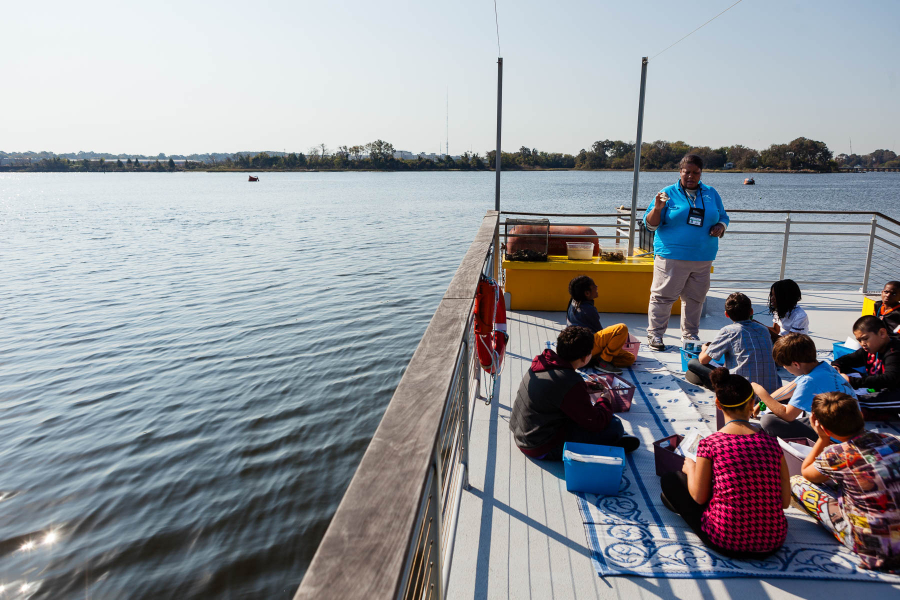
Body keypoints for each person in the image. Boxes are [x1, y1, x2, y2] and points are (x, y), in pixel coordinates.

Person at [660, 368, 790, 558]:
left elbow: (698, 497)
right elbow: (785, 502)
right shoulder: (772, 442)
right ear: (752, 403)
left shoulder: (711, 444)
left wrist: (692, 468)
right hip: (773, 541)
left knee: (671, 480)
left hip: (726, 540)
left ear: (718, 404)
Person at [790, 391, 900, 571]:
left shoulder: (836, 455)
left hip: (876, 548)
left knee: (797, 483)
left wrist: (822, 439)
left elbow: (807, 473)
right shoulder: (892, 441)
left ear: (824, 427)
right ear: (861, 415)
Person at [508, 326, 640, 460]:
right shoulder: (569, 381)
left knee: (587, 418)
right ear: (585, 358)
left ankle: (611, 440)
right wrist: (605, 399)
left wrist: (583, 387)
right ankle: (610, 442)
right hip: (540, 446)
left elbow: (557, 392)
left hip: (522, 434)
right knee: (614, 425)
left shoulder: (543, 361)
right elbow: (595, 422)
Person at [643, 154, 729, 351]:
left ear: (701, 173)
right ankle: (655, 335)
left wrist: (721, 226)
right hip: (672, 256)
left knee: (695, 299)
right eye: (687, 172)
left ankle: (690, 335)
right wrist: (657, 208)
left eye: (695, 172)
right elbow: (650, 225)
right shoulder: (666, 193)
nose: (691, 176)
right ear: (680, 172)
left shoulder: (711, 193)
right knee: (663, 297)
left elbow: (723, 215)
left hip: (703, 257)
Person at [753, 333, 856, 440]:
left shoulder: (809, 381)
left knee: (769, 421)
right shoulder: (823, 367)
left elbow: (788, 415)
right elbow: (788, 389)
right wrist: (762, 403)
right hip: (848, 424)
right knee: (782, 401)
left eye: (785, 366)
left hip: (836, 434)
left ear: (796, 364)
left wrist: (760, 392)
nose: (785, 368)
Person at [686, 292, 781, 392]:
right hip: (772, 390)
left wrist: (704, 349)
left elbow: (703, 360)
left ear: (726, 314)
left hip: (741, 392)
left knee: (692, 364)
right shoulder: (764, 330)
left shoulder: (728, 331)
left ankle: (711, 384)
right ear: (751, 311)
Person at [566, 275, 636, 375]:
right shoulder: (588, 310)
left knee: (629, 358)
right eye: (594, 285)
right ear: (587, 293)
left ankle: (589, 361)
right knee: (621, 328)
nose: (597, 287)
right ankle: (604, 362)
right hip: (584, 347)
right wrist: (615, 341)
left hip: (578, 351)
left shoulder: (574, 301)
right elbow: (600, 336)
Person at [832, 315, 900, 418]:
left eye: (865, 339)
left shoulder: (894, 351)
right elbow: (845, 360)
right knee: (844, 371)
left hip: (895, 392)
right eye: (859, 340)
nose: (862, 344)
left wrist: (852, 381)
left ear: (882, 333)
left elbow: (889, 379)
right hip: (881, 388)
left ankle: (879, 413)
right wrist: (836, 366)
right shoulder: (870, 348)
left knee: (850, 403)